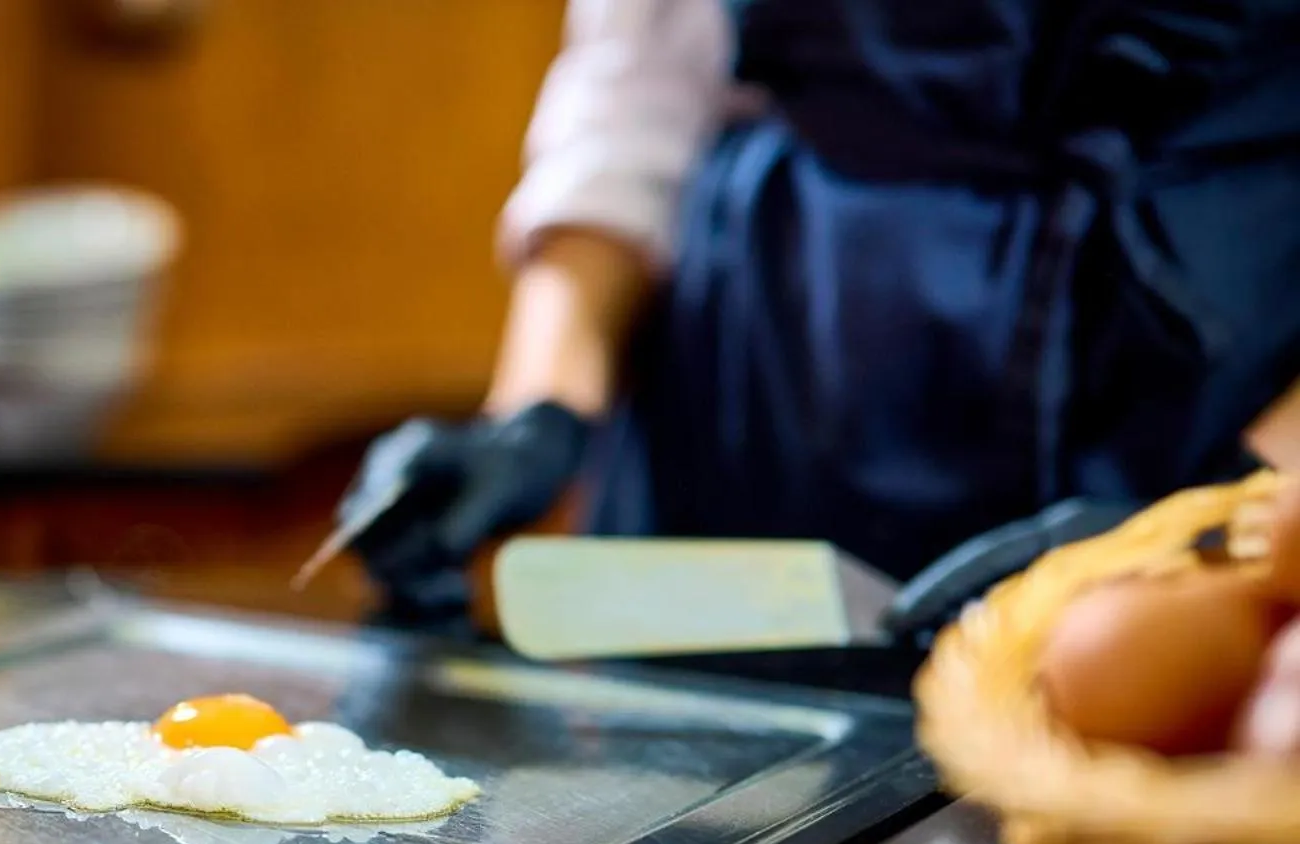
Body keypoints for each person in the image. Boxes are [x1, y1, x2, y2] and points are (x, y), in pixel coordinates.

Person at [342, 0, 1300, 633]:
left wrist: (1244, 512)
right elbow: (642, 76)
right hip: (764, 374)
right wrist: (543, 401)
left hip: (1199, 389)